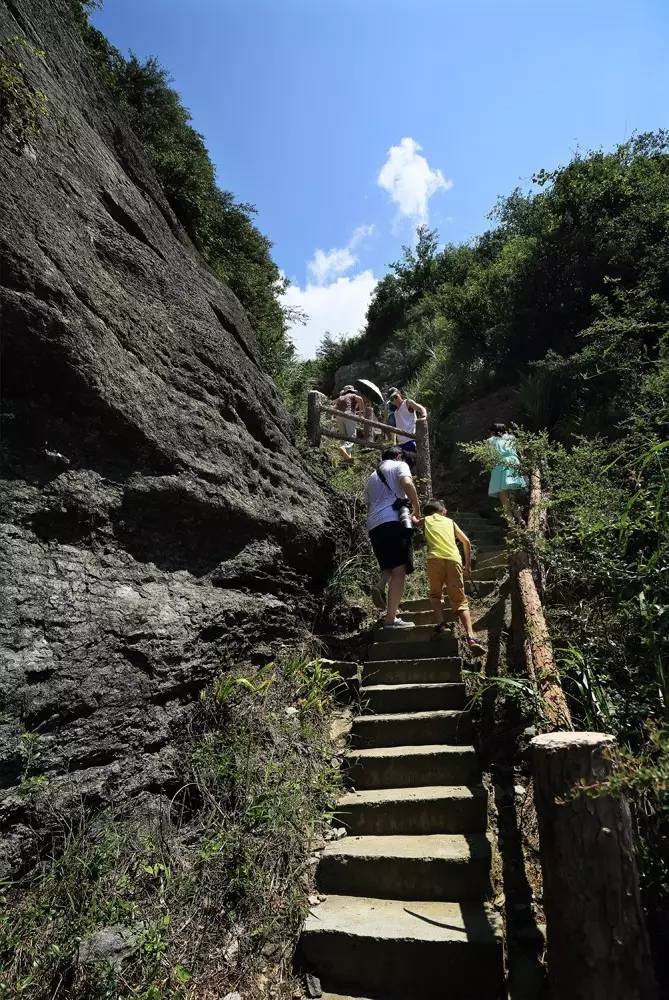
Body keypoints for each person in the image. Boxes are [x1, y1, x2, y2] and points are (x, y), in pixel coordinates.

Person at [421, 498, 486, 655]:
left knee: (435, 595)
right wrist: (467, 566)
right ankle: (471, 637)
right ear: (442, 511)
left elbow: (413, 520)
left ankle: (441, 625)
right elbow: (466, 542)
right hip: (454, 559)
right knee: (459, 599)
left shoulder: (426, 520)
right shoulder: (450, 522)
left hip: (434, 559)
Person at [366, 447, 421, 629]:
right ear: (398, 456)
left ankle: (381, 584)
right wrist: (416, 508)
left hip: (374, 526)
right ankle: (391, 619)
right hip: (392, 522)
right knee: (399, 571)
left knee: (389, 564)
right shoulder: (400, 464)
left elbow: (369, 504)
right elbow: (407, 483)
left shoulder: (372, 477)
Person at [487, 422, 527, 524]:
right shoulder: (512, 438)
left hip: (500, 464)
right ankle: (520, 519)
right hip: (513, 463)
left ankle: (510, 521)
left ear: (493, 432)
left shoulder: (491, 441)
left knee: (503, 495)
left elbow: (489, 456)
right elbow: (521, 453)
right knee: (513, 495)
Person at [386, 388, 427, 454]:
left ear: (399, 393)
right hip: (401, 444)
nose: (394, 400)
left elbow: (420, 408)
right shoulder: (395, 412)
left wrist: (424, 416)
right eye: (392, 399)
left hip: (411, 440)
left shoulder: (407, 403)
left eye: (395, 397)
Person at [332, 385, 364, 461]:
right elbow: (360, 399)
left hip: (339, 416)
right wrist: (360, 414)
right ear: (351, 391)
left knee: (343, 436)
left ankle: (346, 457)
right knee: (352, 436)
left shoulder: (340, 398)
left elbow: (333, 406)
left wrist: (333, 417)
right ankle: (344, 448)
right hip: (349, 415)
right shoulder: (352, 395)